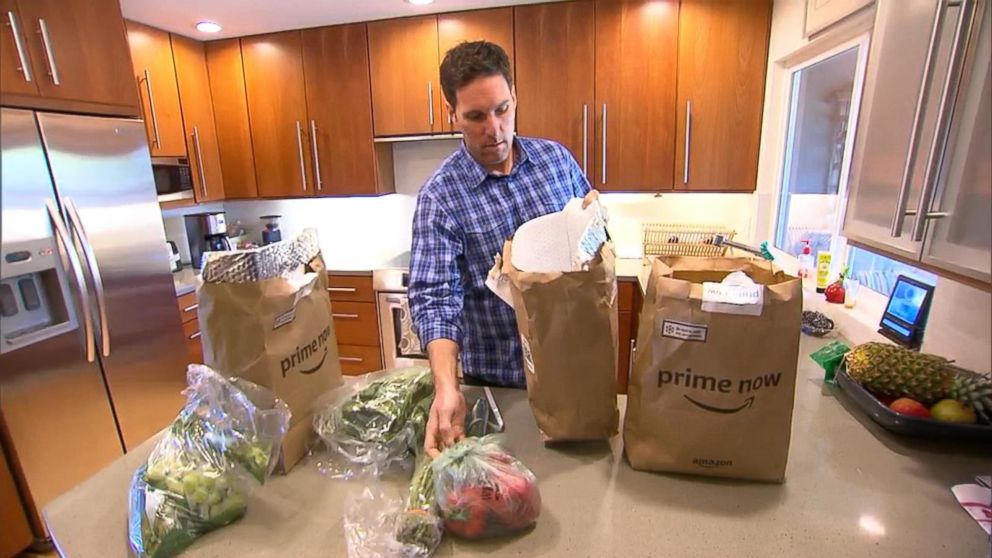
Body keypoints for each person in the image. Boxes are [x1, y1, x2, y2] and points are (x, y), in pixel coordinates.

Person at [408, 41, 598, 457]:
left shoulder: (557, 162)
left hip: (575, 374)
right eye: (475, 116)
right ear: (452, 114)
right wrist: (446, 389)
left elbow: (595, 236)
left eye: (502, 109)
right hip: (498, 389)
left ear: (515, 97)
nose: (494, 129)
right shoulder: (440, 197)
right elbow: (435, 299)